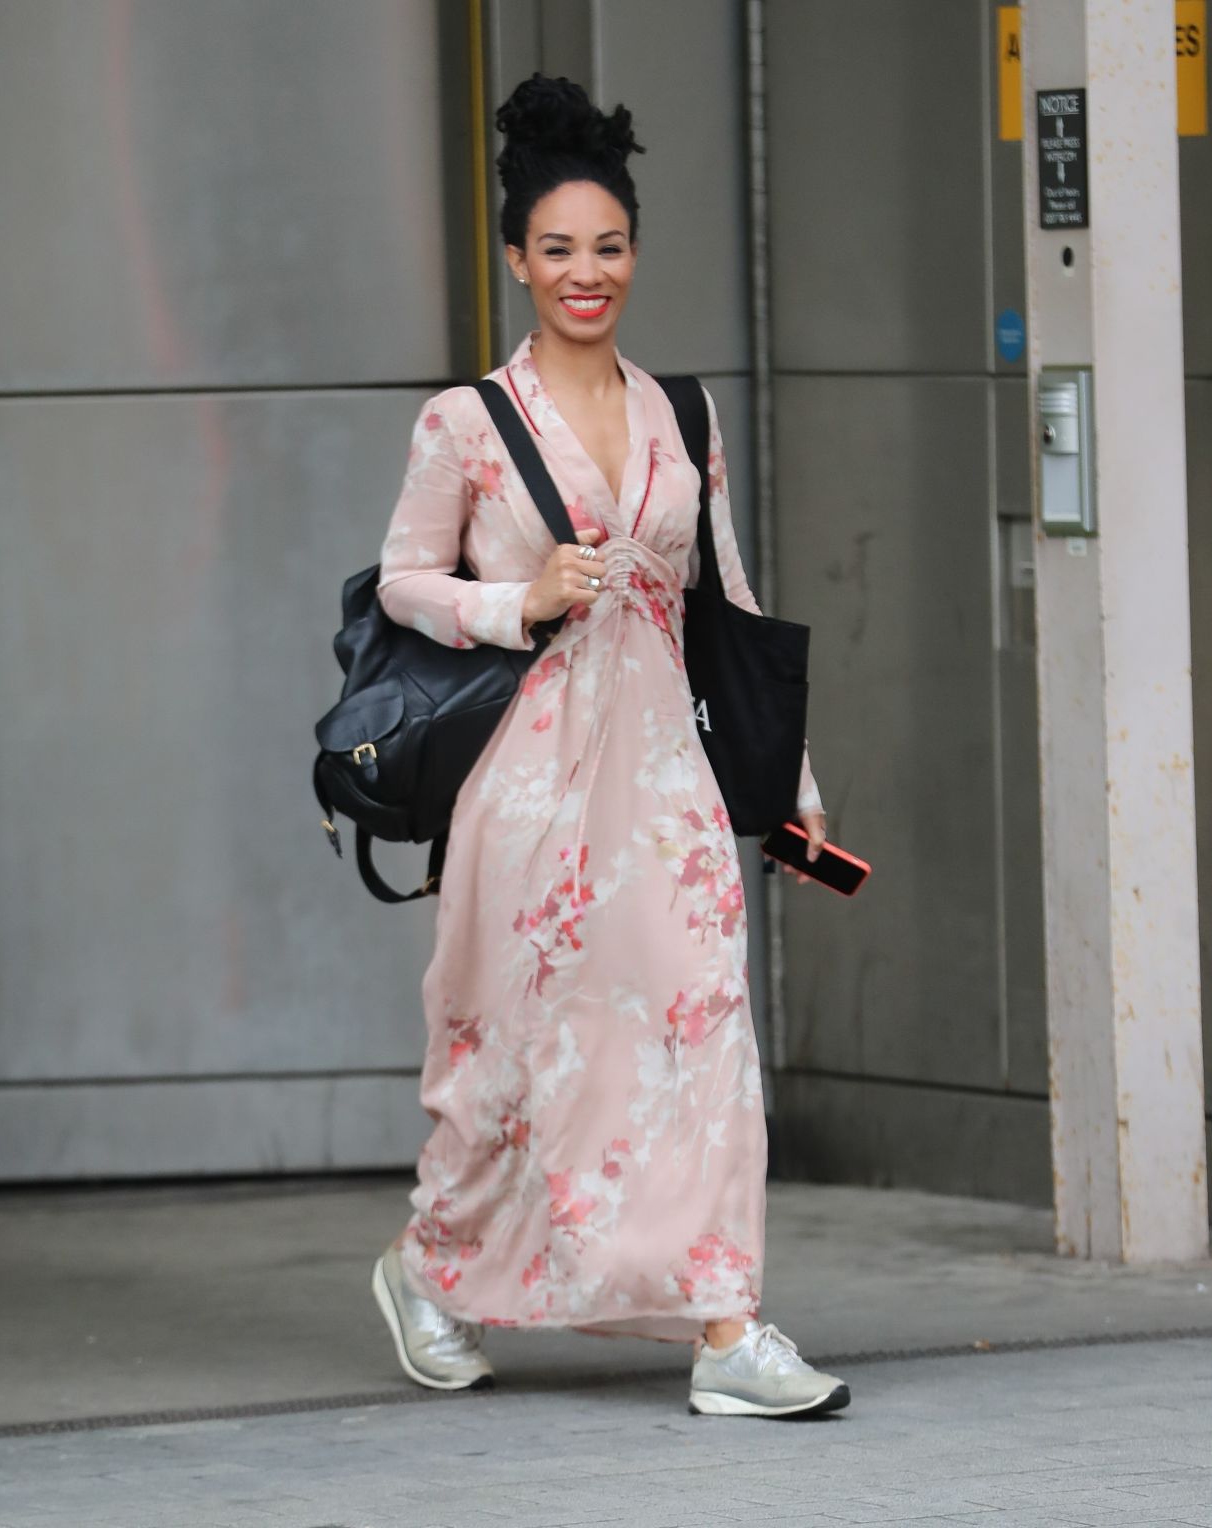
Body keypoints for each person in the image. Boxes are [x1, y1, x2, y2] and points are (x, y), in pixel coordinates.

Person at [369, 72, 849, 1420]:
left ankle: (727, 1326)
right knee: (512, 1059)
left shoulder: (684, 415)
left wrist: (792, 789)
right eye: (560, 250)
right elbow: (401, 580)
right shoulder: (463, 423)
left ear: (635, 252)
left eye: (611, 247)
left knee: (704, 1034)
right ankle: (429, 1264)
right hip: (524, 784)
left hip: (667, 786)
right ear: (518, 260)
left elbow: (732, 609)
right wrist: (509, 600)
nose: (589, 274)